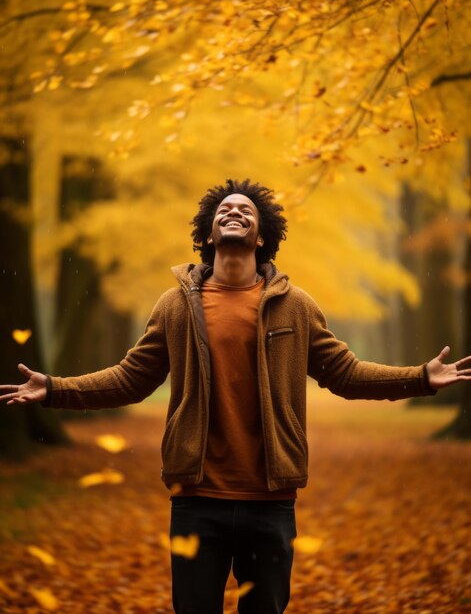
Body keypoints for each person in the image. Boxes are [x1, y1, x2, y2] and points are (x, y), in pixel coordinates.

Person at [1, 178, 470, 614]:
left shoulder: (296, 305)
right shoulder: (174, 306)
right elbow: (131, 378)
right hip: (195, 496)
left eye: (245, 209)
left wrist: (420, 378)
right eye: (224, 209)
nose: (233, 212)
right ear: (208, 232)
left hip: (271, 498)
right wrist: (55, 389)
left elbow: (344, 373)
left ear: (262, 236)